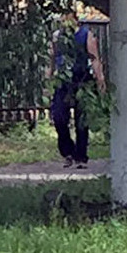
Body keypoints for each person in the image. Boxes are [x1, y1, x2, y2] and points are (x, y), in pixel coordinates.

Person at [49, 14, 104, 167]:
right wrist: (48, 80)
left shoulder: (86, 35)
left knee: (81, 120)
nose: (64, 22)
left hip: (82, 80)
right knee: (59, 117)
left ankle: (81, 156)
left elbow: (94, 58)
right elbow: (51, 59)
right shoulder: (57, 36)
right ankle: (68, 151)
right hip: (62, 82)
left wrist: (100, 79)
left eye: (67, 18)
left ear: (75, 20)